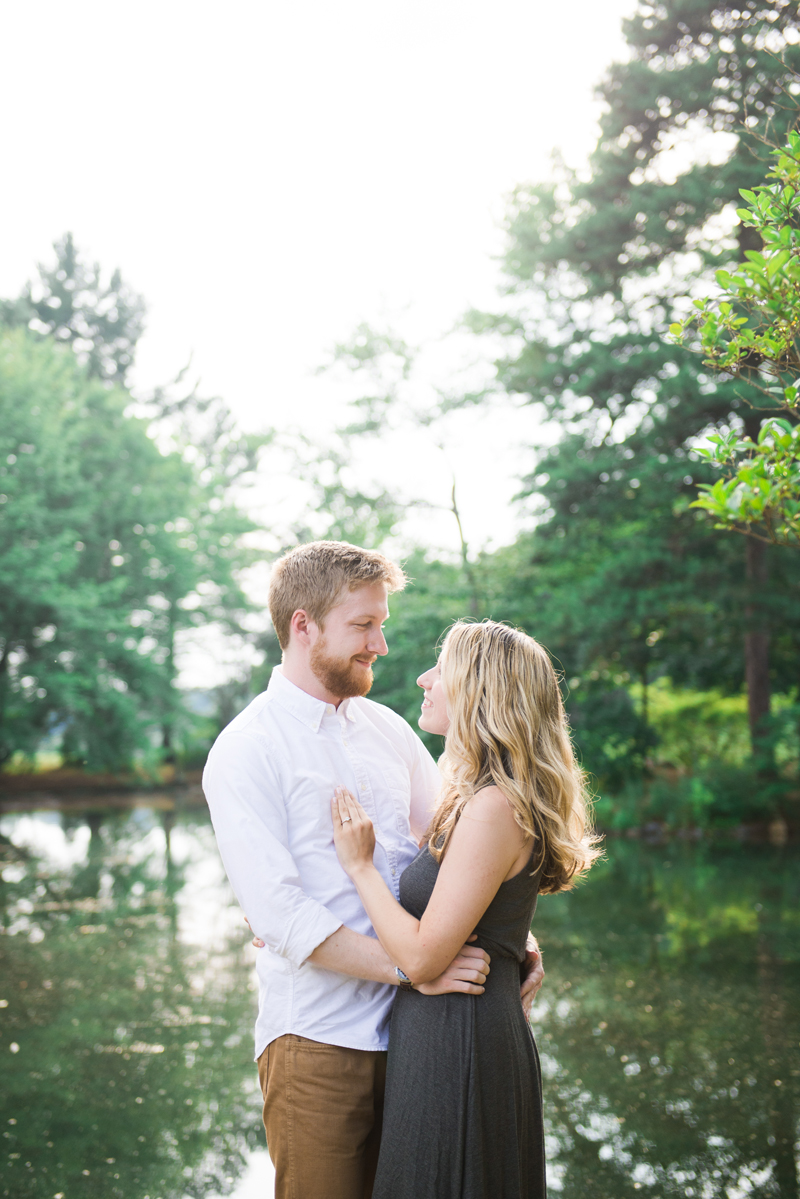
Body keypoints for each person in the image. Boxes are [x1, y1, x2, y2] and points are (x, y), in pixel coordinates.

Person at [202, 541, 544, 1199]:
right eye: (364, 625)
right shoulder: (247, 749)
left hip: (425, 1045)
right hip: (320, 1043)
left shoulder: (389, 731)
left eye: (380, 623)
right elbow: (281, 916)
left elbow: (462, 847)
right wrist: (417, 966)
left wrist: (513, 938)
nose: (381, 644)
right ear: (304, 625)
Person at [331, 619, 601, 1199]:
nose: (425, 679)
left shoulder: (493, 807)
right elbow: (483, 909)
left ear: (481, 690)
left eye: (441, 669)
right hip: (449, 1029)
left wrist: (359, 868)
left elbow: (425, 958)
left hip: (461, 1036)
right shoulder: (476, 797)